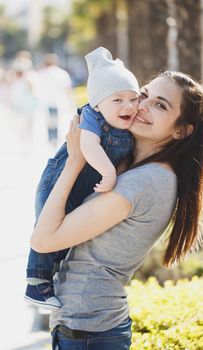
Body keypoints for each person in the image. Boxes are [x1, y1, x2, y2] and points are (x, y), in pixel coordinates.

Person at [30, 70, 203, 350]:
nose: (142, 106)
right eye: (144, 94)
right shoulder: (129, 167)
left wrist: (75, 162)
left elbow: (43, 240)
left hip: (89, 331)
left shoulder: (147, 181)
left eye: (160, 105)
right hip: (86, 326)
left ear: (181, 130)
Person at [25, 47, 139, 309]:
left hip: (84, 182)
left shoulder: (126, 121)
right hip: (59, 178)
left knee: (65, 231)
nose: (128, 106)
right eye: (118, 100)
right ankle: (35, 284)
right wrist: (110, 172)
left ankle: (50, 278)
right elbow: (87, 146)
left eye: (133, 99)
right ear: (98, 103)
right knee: (46, 222)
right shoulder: (91, 116)